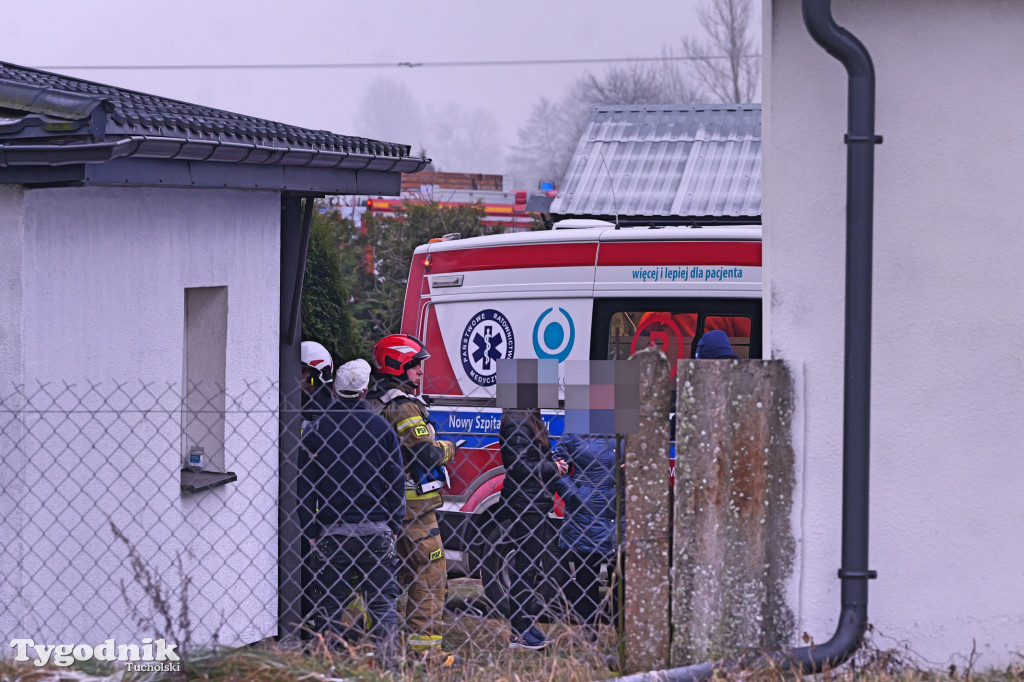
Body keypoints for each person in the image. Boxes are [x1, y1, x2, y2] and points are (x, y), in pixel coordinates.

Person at [298, 351, 406, 665]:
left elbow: (304, 488)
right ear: (363, 391)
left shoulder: (317, 430)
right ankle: (388, 669)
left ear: (334, 389)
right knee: (384, 604)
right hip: (377, 530)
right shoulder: (381, 429)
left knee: (329, 605)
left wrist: (312, 531)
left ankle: (329, 666)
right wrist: (394, 525)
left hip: (333, 531)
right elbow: (395, 481)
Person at [367, 334, 458, 664]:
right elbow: (425, 454)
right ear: (398, 365)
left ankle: (379, 644)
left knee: (387, 575)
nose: (421, 372)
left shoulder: (376, 399)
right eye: (415, 365)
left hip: (388, 506)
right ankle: (426, 654)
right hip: (413, 509)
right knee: (430, 573)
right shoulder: (401, 404)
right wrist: (449, 448)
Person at [498, 407, 568, 650]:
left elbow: (530, 459)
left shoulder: (527, 417)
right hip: (525, 503)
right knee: (525, 568)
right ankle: (519, 632)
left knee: (529, 566)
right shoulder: (517, 420)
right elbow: (517, 466)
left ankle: (525, 625)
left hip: (534, 501)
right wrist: (553, 468)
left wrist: (550, 464)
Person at [552, 432, 620, 634]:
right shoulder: (577, 427)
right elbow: (556, 468)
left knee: (623, 582)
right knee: (586, 581)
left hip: (620, 515)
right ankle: (589, 638)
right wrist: (578, 496)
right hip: (585, 518)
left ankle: (625, 640)